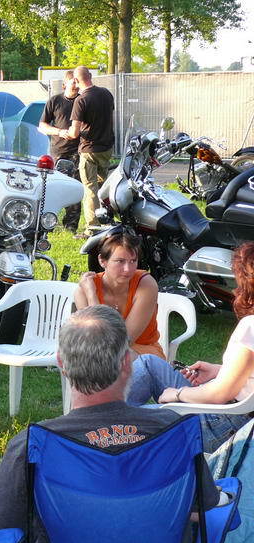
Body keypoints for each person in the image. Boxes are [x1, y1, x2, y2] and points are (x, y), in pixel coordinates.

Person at [0, 305, 219, 543]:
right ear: (127, 362)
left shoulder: (33, 444)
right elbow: (203, 508)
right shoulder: (173, 432)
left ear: (61, 363)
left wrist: (2, 498)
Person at [127, 241, 254, 452]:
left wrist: (177, 394)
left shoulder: (250, 327)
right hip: (234, 413)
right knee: (148, 364)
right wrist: (219, 371)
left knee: (122, 420)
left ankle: (99, 430)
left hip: (224, 422)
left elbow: (220, 394)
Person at [74, 231, 165, 359]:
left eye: (133, 261)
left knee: (112, 357)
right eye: (120, 261)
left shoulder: (146, 284)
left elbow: (123, 343)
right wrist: (90, 293)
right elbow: (95, 339)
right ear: (102, 261)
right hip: (100, 354)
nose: (128, 269)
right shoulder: (84, 289)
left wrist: (92, 297)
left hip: (144, 354)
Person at [65, 66, 114, 238]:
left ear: (76, 81)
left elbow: (74, 133)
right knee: (102, 188)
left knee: (90, 189)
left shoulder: (81, 100)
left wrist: (64, 133)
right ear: (90, 76)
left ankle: (92, 228)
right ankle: (106, 222)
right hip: (106, 149)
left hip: (89, 150)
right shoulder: (106, 94)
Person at [38, 70, 81, 233]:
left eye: (78, 82)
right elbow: (42, 126)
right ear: (64, 84)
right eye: (73, 82)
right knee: (54, 188)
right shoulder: (55, 101)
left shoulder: (83, 101)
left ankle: (71, 226)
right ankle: (48, 223)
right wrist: (59, 132)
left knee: (75, 188)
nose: (76, 85)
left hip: (78, 151)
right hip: (58, 152)